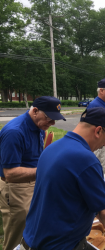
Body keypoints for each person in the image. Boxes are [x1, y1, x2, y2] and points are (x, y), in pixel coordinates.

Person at [22, 107, 105, 250]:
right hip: (58, 245)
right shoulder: (86, 159)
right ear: (98, 130)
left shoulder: (52, 148)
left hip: (31, 239)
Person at [0, 96, 66, 250]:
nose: (53, 123)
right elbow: (10, 173)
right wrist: (45, 169)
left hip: (34, 183)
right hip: (16, 188)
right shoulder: (14, 132)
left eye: (55, 119)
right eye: (50, 118)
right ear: (35, 111)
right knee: (16, 236)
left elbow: (35, 156)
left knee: (33, 231)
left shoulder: (39, 127)